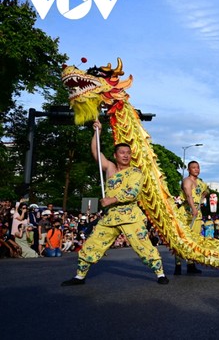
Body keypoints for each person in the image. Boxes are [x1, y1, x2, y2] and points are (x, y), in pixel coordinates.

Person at [61, 119, 168, 286]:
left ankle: (160, 274)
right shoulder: (110, 168)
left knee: (144, 247)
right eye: (122, 152)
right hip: (111, 217)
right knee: (92, 245)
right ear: (115, 155)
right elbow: (96, 152)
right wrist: (98, 132)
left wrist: (112, 199)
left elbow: (132, 193)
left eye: (128, 152)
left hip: (131, 216)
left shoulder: (136, 172)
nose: (126, 155)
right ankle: (79, 276)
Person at [174, 160, 208, 275]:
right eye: (193, 167)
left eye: (198, 167)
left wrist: (202, 198)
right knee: (182, 239)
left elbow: (206, 191)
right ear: (189, 169)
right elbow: (188, 195)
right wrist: (193, 208)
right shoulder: (186, 181)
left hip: (197, 215)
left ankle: (191, 264)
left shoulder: (200, 182)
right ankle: (178, 265)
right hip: (185, 214)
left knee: (194, 240)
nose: (196, 169)